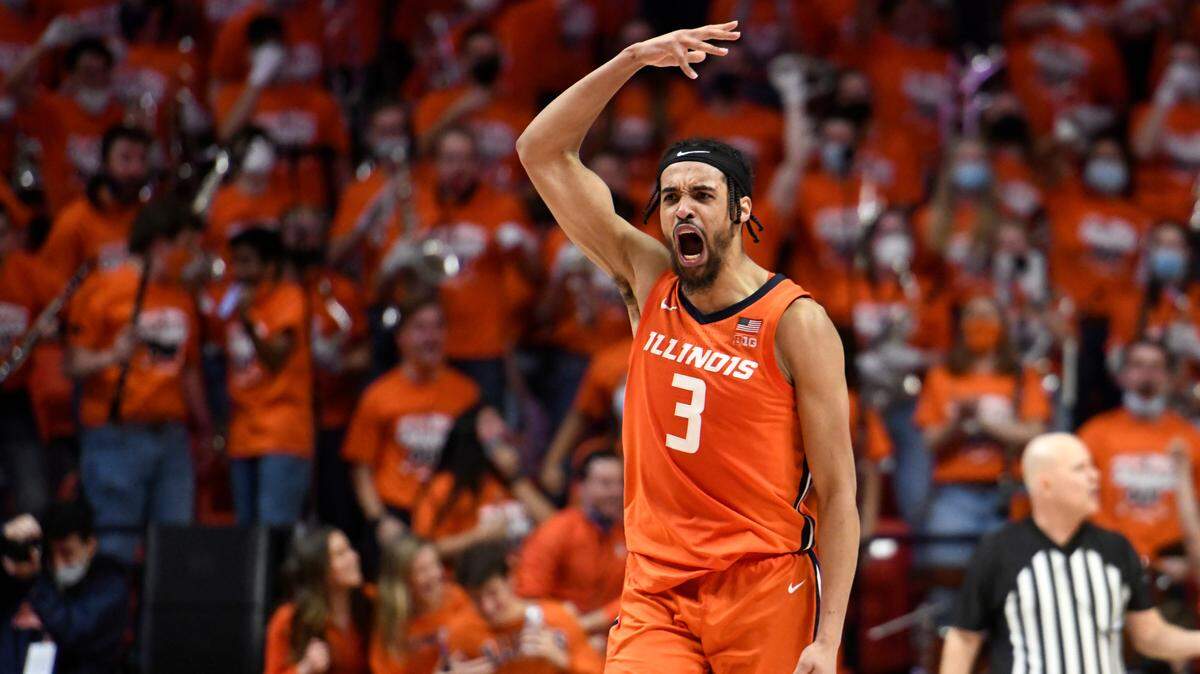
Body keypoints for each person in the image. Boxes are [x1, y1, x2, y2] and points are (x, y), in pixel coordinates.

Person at [517, 22, 858, 674]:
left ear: (740, 211)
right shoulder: (648, 279)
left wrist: (829, 637)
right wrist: (632, 58)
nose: (682, 210)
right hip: (656, 588)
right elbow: (540, 151)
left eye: (702, 195)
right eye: (670, 197)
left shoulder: (796, 322)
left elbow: (839, 493)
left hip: (763, 583)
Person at [940, 433, 1200, 674]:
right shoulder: (998, 550)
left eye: (1092, 467)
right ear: (1045, 484)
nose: (1095, 476)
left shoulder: (1115, 548)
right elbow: (964, 637)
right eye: (1080, 469)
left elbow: (1150, 636)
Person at [66, 197, 210, 563]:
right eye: (187, 246)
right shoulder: (104, 288)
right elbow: (73, 363)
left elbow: (189, 368)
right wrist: (111, 355)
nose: (193, 256)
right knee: (115, 546)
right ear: (160, 244)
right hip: (117, 435)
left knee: (174, 547)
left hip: (172, 437)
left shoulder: (181, 296)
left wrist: (205, 426)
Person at [915, 295, 1050, 569]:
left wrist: (984, 422)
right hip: (954, 495)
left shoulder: (1022, 376)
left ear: (1002, 324)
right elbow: (929, 442)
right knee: (947, 576)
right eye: (972, 315)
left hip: (1009, 492)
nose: (979, 323)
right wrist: (959, 421)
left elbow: (1035, 434)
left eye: (987, 316)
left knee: (1010, 581)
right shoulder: (942, 375)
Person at [342, 295, 480, 556]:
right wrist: (380, 520)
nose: (431, 337)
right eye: (420, 328)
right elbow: (361, 468)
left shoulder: (466, 393)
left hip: (448, 515)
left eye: (438, 327)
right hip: (396, 514)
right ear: (401, 337)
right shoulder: (378, 395)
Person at [221, 226, 314, 526]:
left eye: (247, 262)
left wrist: (248, 322)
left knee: (274, 530)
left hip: (282, 432)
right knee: (246, 533)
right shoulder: (232, 303)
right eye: (236, 261)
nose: (239, 271)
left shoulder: (289, 298)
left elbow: (275, 358)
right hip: (242, 432)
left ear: (270, 266)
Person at [1077, 340, 1200, 562]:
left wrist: (1190, 563)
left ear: (1169, 377)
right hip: (1109, 556)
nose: (1147, 375)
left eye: (1156, 367)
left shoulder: (1190, 438)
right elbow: (1080, 501)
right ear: (1121, 376)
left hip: (1174, 561)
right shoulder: (1094, 434)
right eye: (1138, 365)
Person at [411, 405, 555, 560]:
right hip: (468, 573)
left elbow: (557, 527)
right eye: (489, 424)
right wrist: (479, 537)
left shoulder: (511, 481)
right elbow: (426, 548)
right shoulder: (445, 486)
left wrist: (514, 477)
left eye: (500, 421)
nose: (500, 429)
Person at [1, 501, 130, 674]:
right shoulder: (41, 577)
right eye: (51, 555)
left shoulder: (111, 586)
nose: (58, 564)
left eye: (67, 553)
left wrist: (35, 585)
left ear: (90, 545)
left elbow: (75, 630)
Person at [444, 541, 603, 674]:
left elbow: (598, 669)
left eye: (493, 593)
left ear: (510, 579)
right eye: (476, 599)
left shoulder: (555, 618)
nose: (487, 607)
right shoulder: (461, 633)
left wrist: (564, 660)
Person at [515, 451, 625, 641]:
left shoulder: (630, 534)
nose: (616, 492)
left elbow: (638, 594)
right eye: (606, 483)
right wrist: (569, 623)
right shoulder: (557, 530)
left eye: (620, 483)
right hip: (556, 636)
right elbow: (529, 598)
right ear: (581, 488)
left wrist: (594, 622)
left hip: (612, 638)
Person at [38, 124, 153, 291]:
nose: (135, 170)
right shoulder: (74, 221)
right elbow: (51, 289)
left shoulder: (152, 217)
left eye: (142, 159)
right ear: (105, 163)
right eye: (125, 159)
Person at [370, 536, 488, 674]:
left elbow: (485, 646)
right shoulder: (392, 625)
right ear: (402, 582)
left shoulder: (458, 598)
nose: (434, 574)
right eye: (422, 570)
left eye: (435, 564)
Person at [265, 526, 371, 674]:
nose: (354, 557)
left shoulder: (371, 602)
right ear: (320, 570)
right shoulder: (289, 619)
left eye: (350, 549)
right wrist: (305, 668)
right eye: (341, 554)